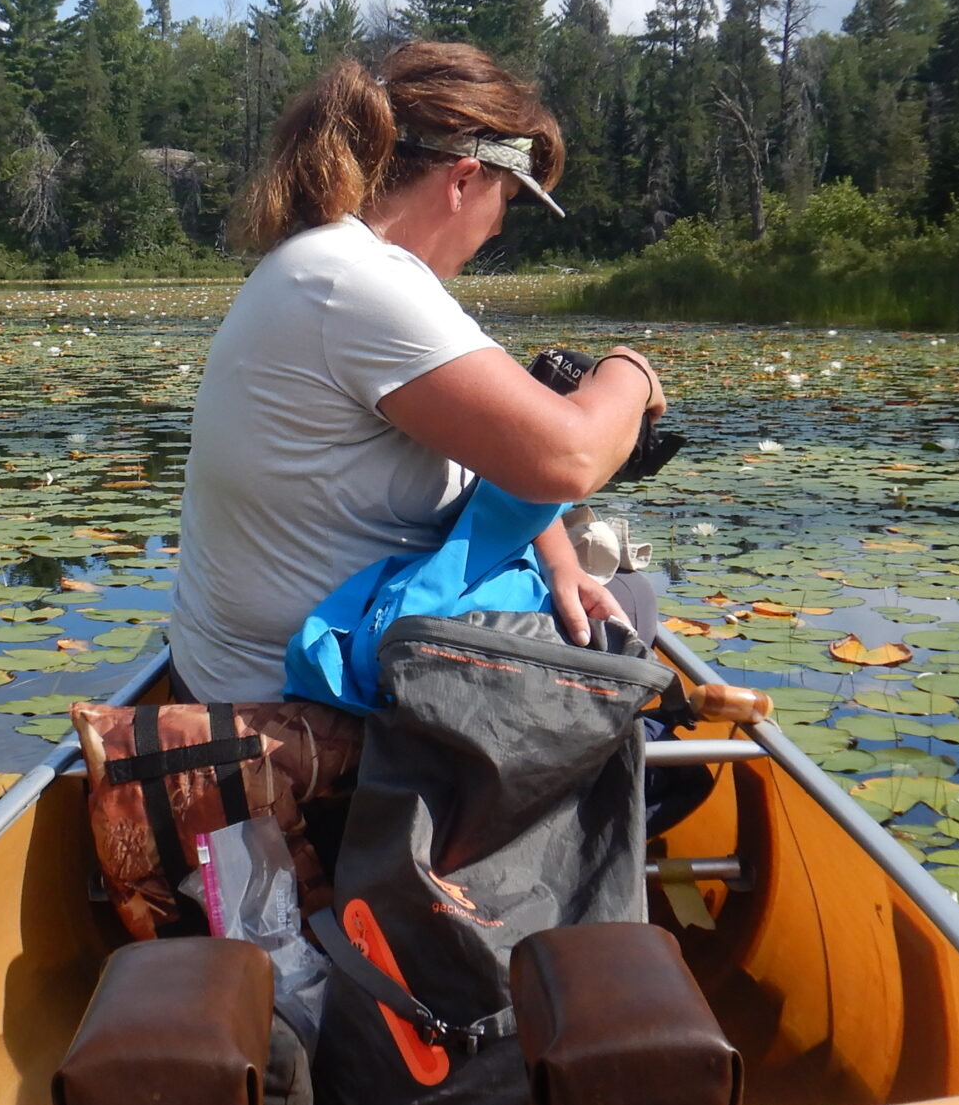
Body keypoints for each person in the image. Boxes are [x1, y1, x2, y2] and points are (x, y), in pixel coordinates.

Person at [167, 41, 668, 704]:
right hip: (304, 691)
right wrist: (629, 373)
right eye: (509, 198)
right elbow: (570, 458)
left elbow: (490, 456)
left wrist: (560, 557)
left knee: (589, 589)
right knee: (633, 599)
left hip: (250, 664)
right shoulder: (357, 283)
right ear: (462, 181)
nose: (496, 230)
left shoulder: (325, 263)